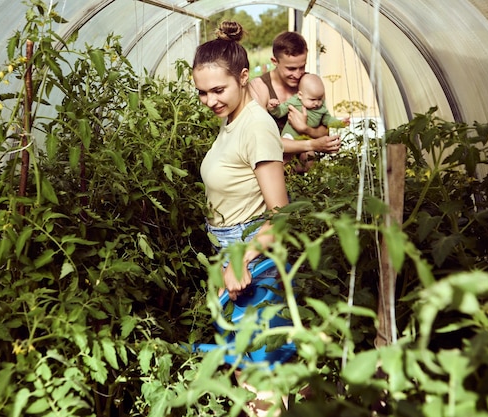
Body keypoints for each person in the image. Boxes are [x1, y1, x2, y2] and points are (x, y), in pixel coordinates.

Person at [192, 20, 289, 415]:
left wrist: (239, 260)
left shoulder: (256, 126)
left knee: (260, 378)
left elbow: (282, 217)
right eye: (202, 92)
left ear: (244, 78)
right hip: (231, 254)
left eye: (219, 90)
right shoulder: (234, 119)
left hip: (252, 261)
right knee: (245, 371)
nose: (210, 100)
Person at [249, 31, 341, 165]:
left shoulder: (311, 84)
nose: (297, 75)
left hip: (305, 174)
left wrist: (306, 129)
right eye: (291, 69)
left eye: (301, 67)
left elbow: (324, 131)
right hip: (273, 170)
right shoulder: (259, 87)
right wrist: (312, 144)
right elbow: (261, 141)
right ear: (275, 61)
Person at [268, 73, 349, 141]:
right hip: (290, 137)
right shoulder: (295, 101)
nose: (317, 103)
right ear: (300, 95)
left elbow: (328, 120)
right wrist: (274, 107)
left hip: (308, 139)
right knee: (286, 151)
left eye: (320, 99)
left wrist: (339, 123)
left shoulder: (322, 107)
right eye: (312, 99)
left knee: (309, 155)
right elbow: (280, 112)